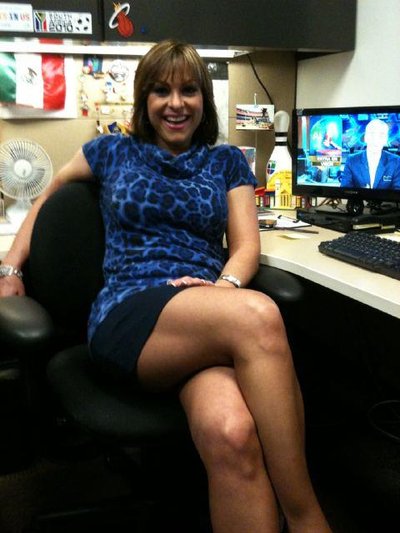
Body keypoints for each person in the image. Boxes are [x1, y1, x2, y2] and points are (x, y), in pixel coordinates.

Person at [0, 40, 331, 533]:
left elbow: (245, 247)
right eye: (161, 91)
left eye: (188, 90)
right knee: (260, 315)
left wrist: (223, 289)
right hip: (130, 309)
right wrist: (11, 268)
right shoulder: (112, 151)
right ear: (145, 99)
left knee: (233, 433)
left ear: (204, 100)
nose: (176, 103)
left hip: (204, 312)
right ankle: (307, 519)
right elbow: (48, 198)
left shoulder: (226, 163)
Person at [341, 118, 400, 189]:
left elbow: (397, 191)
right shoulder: (352, 160)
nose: (376, 139)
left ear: (386, 139)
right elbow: (345, 190)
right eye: (372, 134)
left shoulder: (396, 161)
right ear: (365, 137)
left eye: (381, 135)